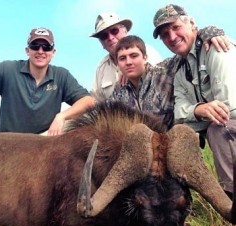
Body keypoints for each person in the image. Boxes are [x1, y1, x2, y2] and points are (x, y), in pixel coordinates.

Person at [153, 4, 236, 196]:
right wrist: (199, 110)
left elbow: (229, 109)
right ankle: (180, 199)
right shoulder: (181, 71)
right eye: (165, 34)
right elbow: (180, 114)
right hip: (222, 125)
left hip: (228, 124)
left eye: (175, 27)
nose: (172, 37)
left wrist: (197, 115)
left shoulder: (216, 48)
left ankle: (230, 198)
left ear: (192, 24)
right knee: (177, 134)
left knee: (218, 129)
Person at [90, 12, 230, 103]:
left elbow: (178, 60)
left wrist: (208, 32)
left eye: (114, 31)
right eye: (104, 36)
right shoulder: (101, 68)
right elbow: (96, 102)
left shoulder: (151, 54)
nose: (110, 37)